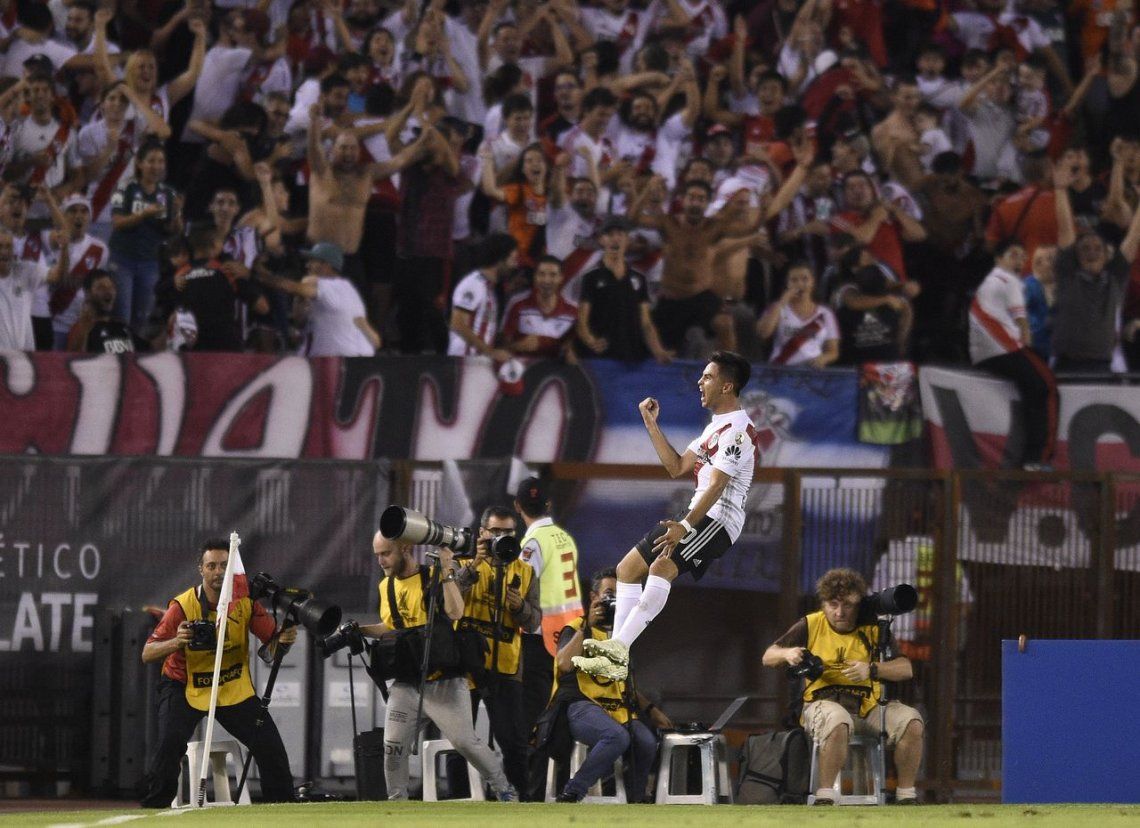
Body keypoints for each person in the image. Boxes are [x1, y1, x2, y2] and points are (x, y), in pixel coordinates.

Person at [572, 351, 757, 680]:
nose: (700, 382)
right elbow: (677, 466)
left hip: (719, 520)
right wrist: (650, 423)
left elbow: (717, 485)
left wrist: (684, 526)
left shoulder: (739, 432)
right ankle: (617, 653)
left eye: (708, 377)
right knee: (627, 569)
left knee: (661, 567)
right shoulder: (714, 428)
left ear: (727, 386)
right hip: (697, 514)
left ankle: (618, 651)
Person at [359, 533, 517, 801]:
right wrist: (359, 630)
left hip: (444, 682)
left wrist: (445, 570)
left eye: (385, 553)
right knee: (393, 747)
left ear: (405, 549)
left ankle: (505, 790)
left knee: (466, 743)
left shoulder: (434, 576)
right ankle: (396, 807)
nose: (380, 560)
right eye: (377, 555)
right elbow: (391, 626)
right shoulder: (386, 586)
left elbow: (455, 612)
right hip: (406, 684)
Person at [139, 539, 296, 807]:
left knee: (270, 746)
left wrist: (285, 640)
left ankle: (282, 808)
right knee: (169, 743)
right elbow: (147, 653)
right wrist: (178, 641)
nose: (218, 572)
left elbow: (272, 644)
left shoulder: (245, 603)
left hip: (231, 687)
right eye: (211, 566)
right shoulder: (182, 606)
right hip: (184, 686)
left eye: (224, 565)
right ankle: (155, 807)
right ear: (201, 569)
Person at [762, 568, 924, 806]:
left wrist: (872, 669)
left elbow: (905, 668)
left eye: (847, 605)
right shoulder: (811, 624)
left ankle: (906, 796)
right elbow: (768, 656)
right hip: (822, 704)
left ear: (858, 604)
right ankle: (825, 795)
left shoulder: (873, 627)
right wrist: (788, 653)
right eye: (833, 605)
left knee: (912, 721)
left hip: (868, 708)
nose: (839, 612)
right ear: (823, 604)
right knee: (839, 720)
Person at [546, 568, 671, 803]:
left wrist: (651, 709)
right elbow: (563, 664)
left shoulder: (622, 633)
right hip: (581, 705)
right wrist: (587, 626)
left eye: (619, 594)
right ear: (594, 597)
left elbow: (625, 682)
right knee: (616, 737)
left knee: (646, 741)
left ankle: (634, 800)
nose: (615, 599)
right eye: (609, 593)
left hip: (616, 709)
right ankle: (573, 791)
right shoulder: (576, 627)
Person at [455, 506, 540, 798]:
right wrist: (474, 565)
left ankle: (520, 800)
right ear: (482, 533)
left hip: (506, 665)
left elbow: (534, 622)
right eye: (495, 532)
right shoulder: (463, 563)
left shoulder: (525, 571)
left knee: (513, 741)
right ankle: (458, 799)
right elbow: (445, 601)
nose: (501, 537)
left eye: (507, 532)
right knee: (459, 741)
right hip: (464, 663)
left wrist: (520, 607)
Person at [968, 240, 1058, 469]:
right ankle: (1038, 457)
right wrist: (1026, 346)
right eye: (1013, 255)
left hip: (984, 351)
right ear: (998, 259)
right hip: (1003, 346)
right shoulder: (1009, 282)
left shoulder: (991, 282)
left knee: (1032, 388)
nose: (1019, 260)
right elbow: (1021, 321)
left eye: (1021, 256)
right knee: (1045, 384)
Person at [1051, 162, 1140, 372]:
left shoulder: (1115, 279)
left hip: (1102, 365)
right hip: (1066, 365)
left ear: (1107, 256)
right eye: (1085, 248)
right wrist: (1060, 190)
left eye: (1097, 248)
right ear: (1076, 256)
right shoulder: (1068, 275)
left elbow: (1133, 238)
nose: (1092, 251)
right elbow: (1065, 231)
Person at [514, 476, 582, 737]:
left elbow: (520, 590)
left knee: (535, 714)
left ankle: (535, 762)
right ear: (549, 504)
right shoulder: (564, 538)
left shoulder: (532, 544)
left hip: (541, 638)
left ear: (517, 506)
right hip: (569, 634)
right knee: (560, 710)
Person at [255, 241, 380, 357]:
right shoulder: (349, 290)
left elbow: (287, 286)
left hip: (337, 360)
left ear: (326, 265)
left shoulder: (327, 285)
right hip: (361, 358)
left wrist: (257, 274)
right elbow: (300, 322)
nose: (307, 265)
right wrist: (300, 299)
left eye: (312, 261)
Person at [576, 215, 671, 363]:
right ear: (601, 240)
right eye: (610, 234)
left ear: (627, 240)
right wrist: (591, 341)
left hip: (632, 358)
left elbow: (646, 323)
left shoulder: (639, 279)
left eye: (620, 234)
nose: (616, 239)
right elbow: (582, 320)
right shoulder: (591, 278)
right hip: (601, 358)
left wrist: (658, 350)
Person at [447, 233, 517, 360]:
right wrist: (490, 352)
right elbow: (457, 323)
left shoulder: (489, 289)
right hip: (465, 361)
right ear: (500, 260)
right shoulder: (473, 284)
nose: (515, 265)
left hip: (478, 362)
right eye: (512, 259)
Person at [756, 262, 840, 368]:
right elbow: (763, 333)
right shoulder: (777, 308)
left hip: (812, 371)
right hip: (781, 369)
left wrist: (824, 358)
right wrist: (782, 302)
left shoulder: (825, 313)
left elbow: (833, 351)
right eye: (794, 280)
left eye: (805, 279)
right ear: (787, 284)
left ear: (812, 282)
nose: (800, 284)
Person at [66, 268, 135, 353]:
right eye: (101, 288)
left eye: (111, 287)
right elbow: (74, 357)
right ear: (88, 293)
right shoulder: (80, 329)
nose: (108, 291)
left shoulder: (122, 327)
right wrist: (84, 331)